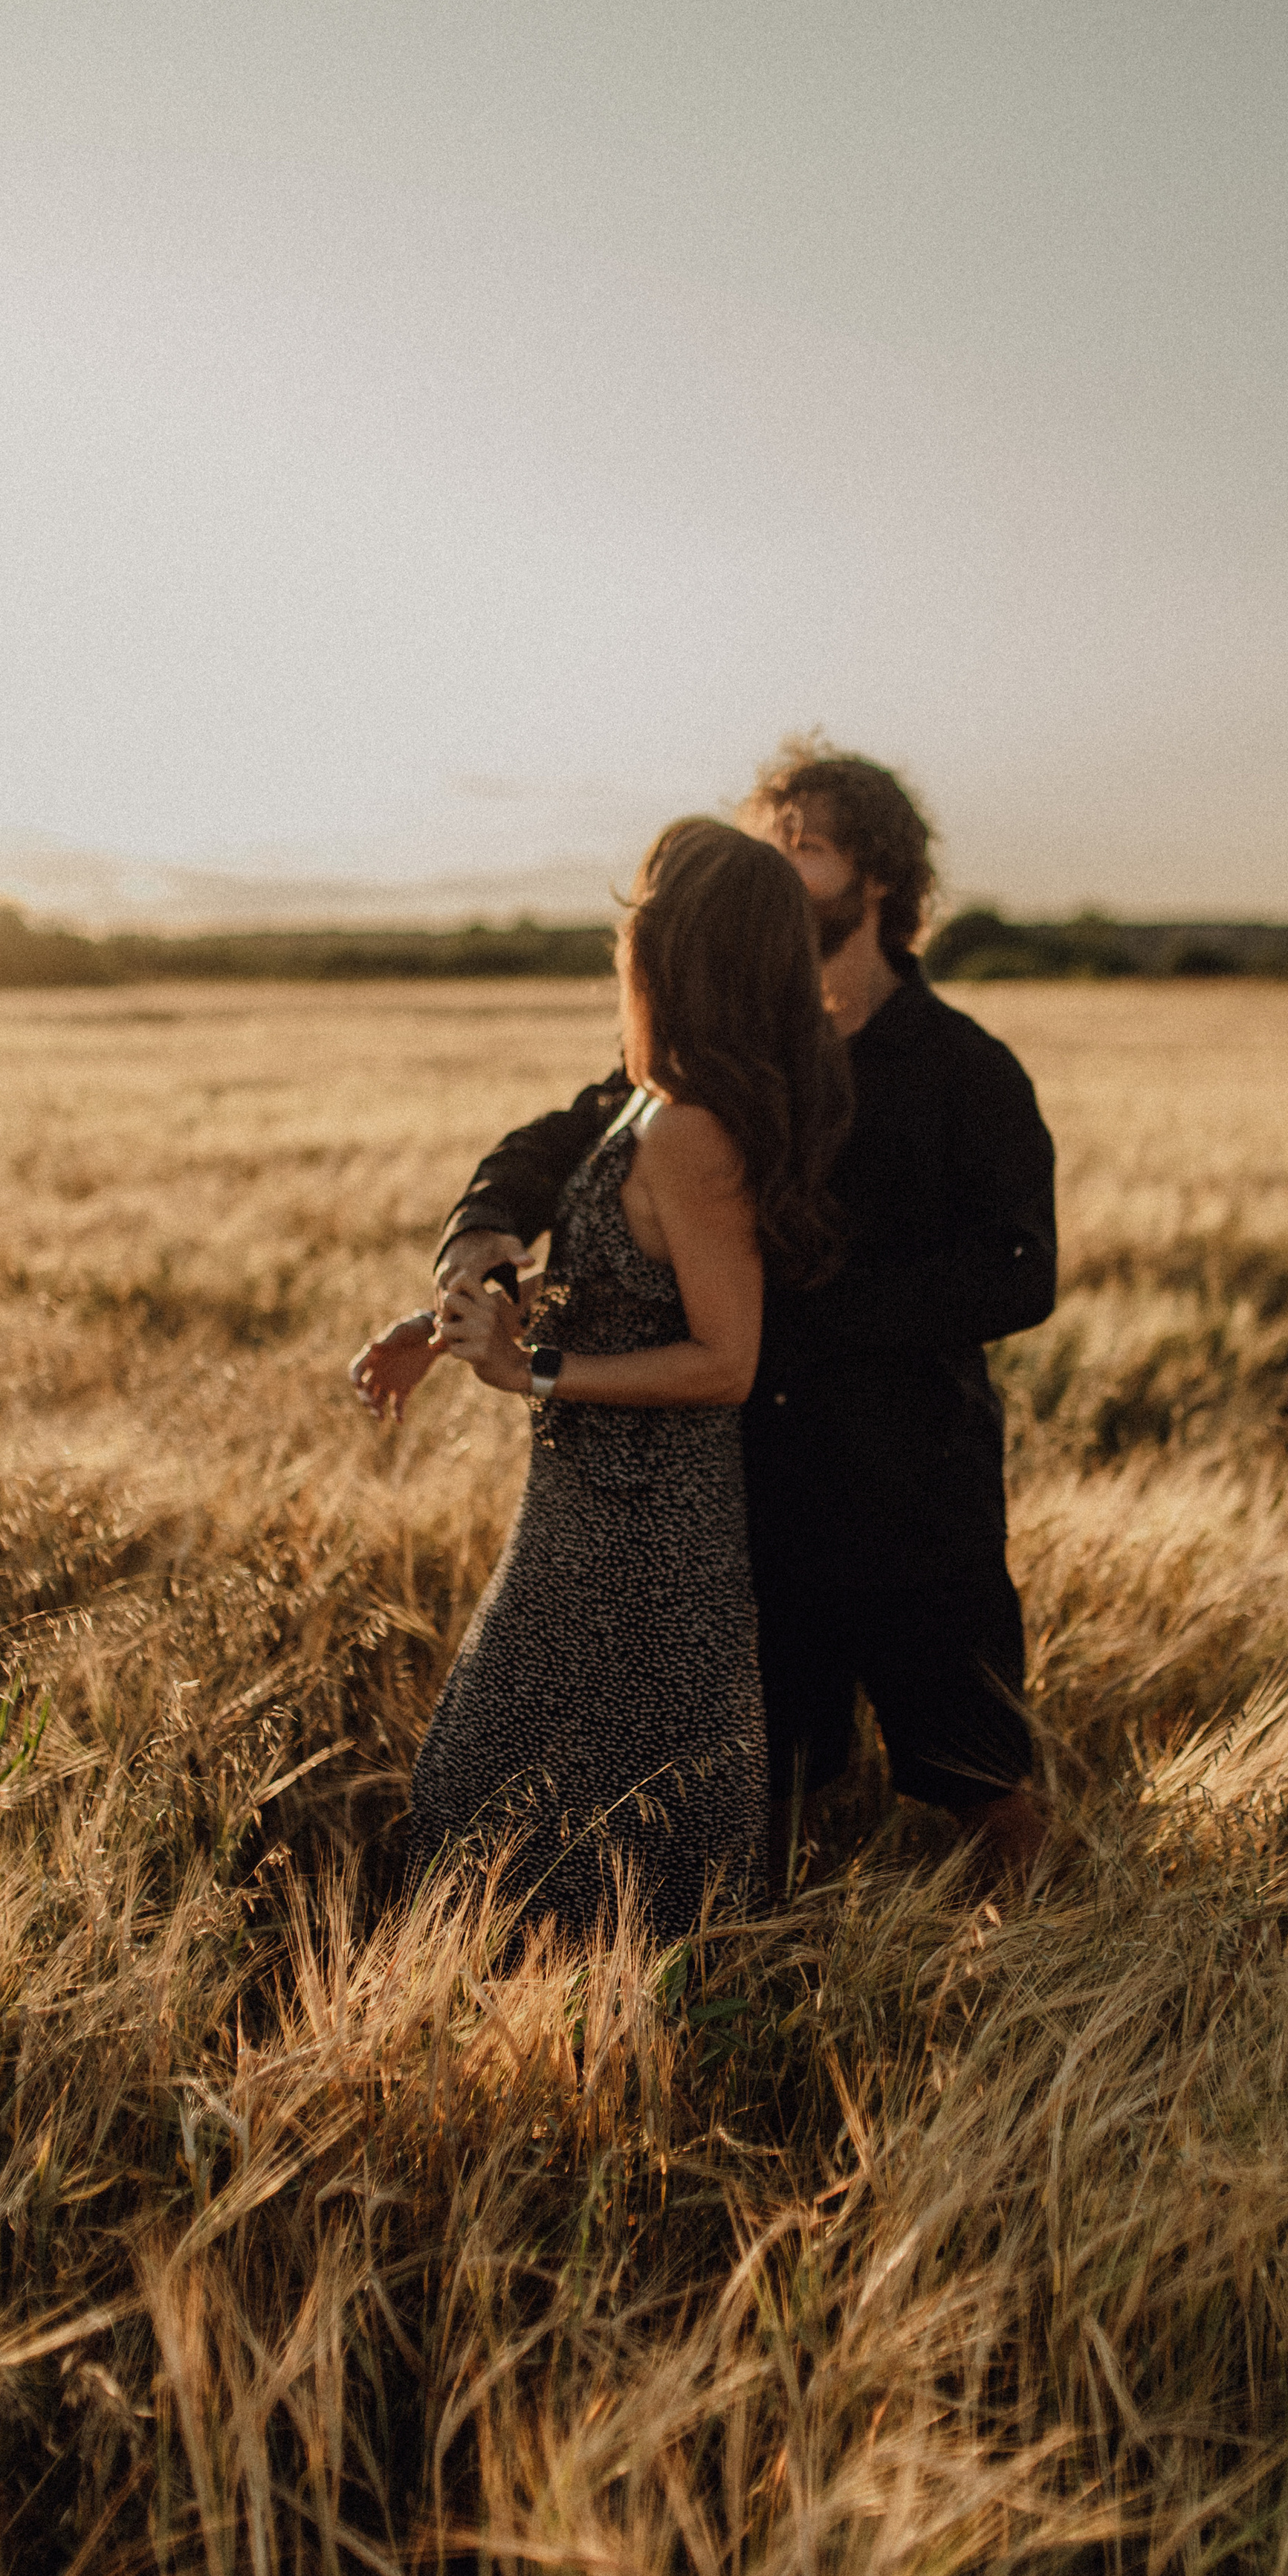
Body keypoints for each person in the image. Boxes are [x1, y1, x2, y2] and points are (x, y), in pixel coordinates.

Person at [352, 744, 1057, 1880]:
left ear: (878, 879)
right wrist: (478, 1252)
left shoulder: (965, 1071)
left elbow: (1021, 1273)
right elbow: (563, 1147)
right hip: (756, 1489)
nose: (777, 869)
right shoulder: (711, 1058)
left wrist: (797, 1308)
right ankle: (760, 1985)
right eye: (768, 845)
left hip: (910, 1488)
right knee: (765, 1786)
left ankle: (1042, 1981)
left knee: (976, 1772)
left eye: (807, 848)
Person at [367, 819, 850, 1940]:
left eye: (639, 921)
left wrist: (532, 1370)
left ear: (674, 953)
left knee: (566, 1800)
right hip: (589, 1507)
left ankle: (614, 2043)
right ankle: (563, 2034)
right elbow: (630, 1285)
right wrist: (456, 1322)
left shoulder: (690, 1130)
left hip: (648, 1531)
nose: (619, 941)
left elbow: (727, 1361)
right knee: (511, 1791)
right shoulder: (649, 1097)